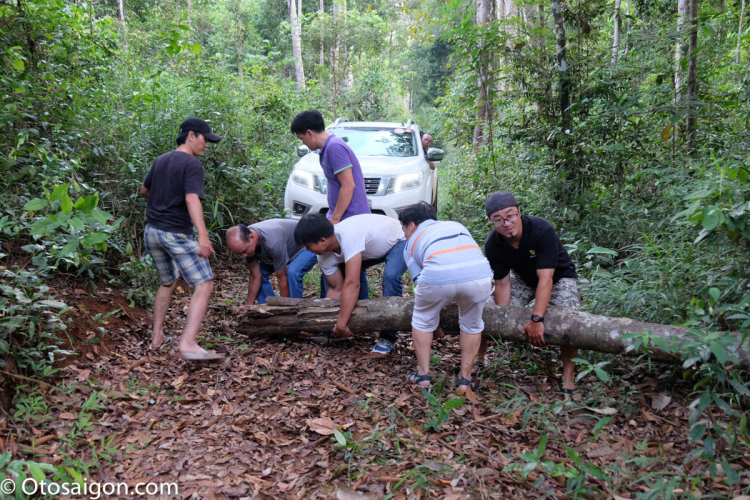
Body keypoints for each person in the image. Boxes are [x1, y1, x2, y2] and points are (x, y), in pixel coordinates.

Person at [139, 118, 222, 361]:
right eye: (205, 139)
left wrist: (163, 199)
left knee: (168, 282)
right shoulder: (192, 164)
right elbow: (191, 198)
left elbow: (144, 191)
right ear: (191, 136)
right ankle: (188, 343)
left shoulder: (161, 159)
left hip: (152, 232)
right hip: (175, 233)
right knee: (204, 284)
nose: (207, 145)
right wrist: (203, 237)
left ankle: (157, 338)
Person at [483, 191, 581, 398]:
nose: (506, 223)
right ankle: (476, 361)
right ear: (491, 221)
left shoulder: (541, 229)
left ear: (519, 211)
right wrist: (501, 319)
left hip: (558, 277)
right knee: (485, 310)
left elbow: (546, 280)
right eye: (498, 220)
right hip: (523, 279)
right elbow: (502, 283)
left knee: (567, 319)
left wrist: (537, 318)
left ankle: (568, 374)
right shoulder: (493, 244)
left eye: (510, 216)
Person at [400, 202, 493, 392]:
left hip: (438, 277)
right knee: (472, 324)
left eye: (403, 228)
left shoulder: (411, 242)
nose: (404, 233)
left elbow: (420, 280)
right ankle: (464, 380)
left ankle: (423, 375)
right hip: (480, 275)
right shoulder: (457, 225)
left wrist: (435, 310)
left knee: (422, 320)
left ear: (411, 225)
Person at [293, 212, 407, 355]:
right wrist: (324, 323)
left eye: (308, 246)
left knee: (391, 275)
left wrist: (341, 324)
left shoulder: (349, 235)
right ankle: (335, 330)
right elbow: (336, 289)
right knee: (334, 277)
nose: (308, 250)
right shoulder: (324, 257)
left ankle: (387, 337)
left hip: (397, 240)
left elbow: (353, 283)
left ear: (322, 240)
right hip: (370, 250)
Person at [290, 110, 371, 301]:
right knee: (343, 269)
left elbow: (348, 185)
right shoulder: (327, 149)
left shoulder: (334, 147)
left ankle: (358, 316)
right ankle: (342, 315)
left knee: (352, 271)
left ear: (310, 133)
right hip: (345, 216)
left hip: (351, 218)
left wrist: (335, 218)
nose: (304, 144)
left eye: (302, 139)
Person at [226, 220, 318, 307]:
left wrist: (287, 310)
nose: (244, 256)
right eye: (240, 254)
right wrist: (248, 306)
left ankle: (296, 309)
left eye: (245, 251)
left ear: (252, 237)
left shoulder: (273, 242)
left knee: (293, 272)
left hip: (307, 246)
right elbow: (255, 275)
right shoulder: (247, 241)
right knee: (261, 274)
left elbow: (282, 278)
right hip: (284, 251)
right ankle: (269, 309)